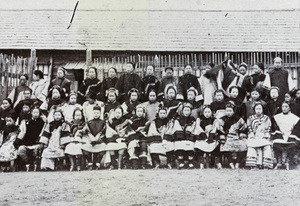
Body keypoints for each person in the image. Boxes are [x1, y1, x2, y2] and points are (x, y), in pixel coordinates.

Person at [14, 107, 45, 171]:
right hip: (27, 142)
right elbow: (22, 132)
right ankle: (27, 162)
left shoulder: (42, 122)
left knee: (37, 149)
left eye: (37, 112)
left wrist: (45, 119)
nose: (36, 114)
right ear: (31, 113)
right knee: (21, 149)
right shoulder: (27, 122)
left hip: (37, 142)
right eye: (34, 112)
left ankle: (36, 163)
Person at [271, 102, 300, 170]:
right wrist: (280, 134)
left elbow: (297, 129)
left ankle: (287, 161)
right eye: (283, 106)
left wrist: (290, 136)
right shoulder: (277, 117)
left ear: (289, 108)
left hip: (291, 135)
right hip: (280, 135)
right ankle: (279, 162)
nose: (284, 108)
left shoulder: (295, 118)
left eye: (286, 107)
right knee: (276, 143)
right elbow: (275, 128)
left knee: (292, 144)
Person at [218, 102, 248, 169]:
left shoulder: (239, 119)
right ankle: (230, 163)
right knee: (224, 146)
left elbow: (244, 128)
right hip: (227, 137)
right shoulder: (222, 119)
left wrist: (241, 134)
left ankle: (238, 163)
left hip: (237, 137)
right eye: (227, 111)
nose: (228, 112)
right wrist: (223, 136)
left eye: (230, 111)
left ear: (233, 111)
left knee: (243, 145)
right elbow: (220, 129)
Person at [76, 105, 107, 170]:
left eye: (97, 113)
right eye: (95, 113)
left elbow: (105, 132)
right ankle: (89, 161)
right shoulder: (89, 122)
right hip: (90, 140)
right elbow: (85, 130)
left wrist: (99, 138)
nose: (96, 114)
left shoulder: (103, 122)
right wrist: (81, 133)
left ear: (100, 114)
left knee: (104, 146)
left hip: (99, 140)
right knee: (84, 147)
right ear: (93, 113)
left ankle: (98, 161)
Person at [246, 103, 273, 170]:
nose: (258, 110)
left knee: (267, 146)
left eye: (260, 109)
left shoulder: (266, 118)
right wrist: (252, 134)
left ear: (262, 109)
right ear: (254, 110)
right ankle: (253, 164)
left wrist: (266, 135)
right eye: (257, 109)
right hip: (254, 136)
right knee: (252, 146)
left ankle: (266, 164)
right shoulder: (250, 118)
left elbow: (268, 128)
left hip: (263, 135)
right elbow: (249, 128)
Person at [171, 102, 197, 169]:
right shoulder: (178, 119)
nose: (186, 112)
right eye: (185, 110)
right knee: (179, 146)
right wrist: (181, 132)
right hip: (180, 138)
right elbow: (176, 128)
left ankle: (190, 162)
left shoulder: (192, 120)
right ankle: (181, 162)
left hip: (189, 137)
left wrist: (188, 131)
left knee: (190, 146)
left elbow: (193, 128)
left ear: (190, 111)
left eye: (188, 110)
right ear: (182, 111)